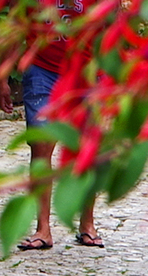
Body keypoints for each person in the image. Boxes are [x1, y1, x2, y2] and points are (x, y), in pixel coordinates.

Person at [12, 48, 102, 249]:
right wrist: (2, 77)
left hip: (87, 70)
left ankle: (87, 223)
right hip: (42, 69)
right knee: (41, 145)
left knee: (86, 147)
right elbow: (20, 25)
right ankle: (42, 228)